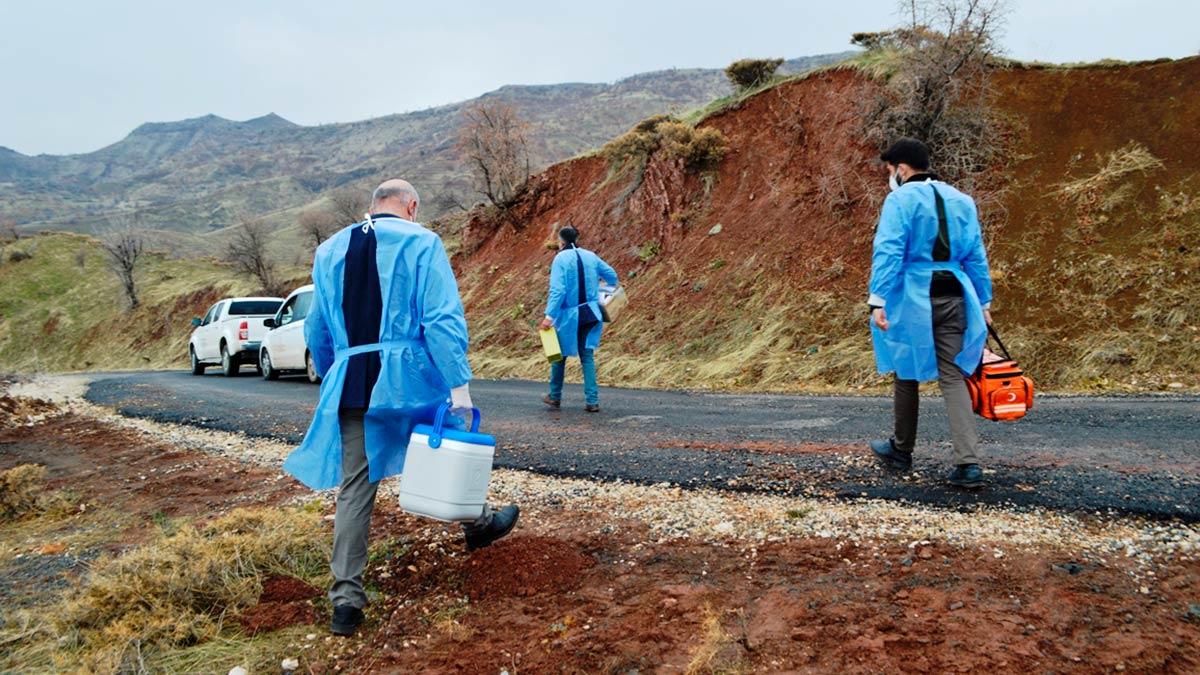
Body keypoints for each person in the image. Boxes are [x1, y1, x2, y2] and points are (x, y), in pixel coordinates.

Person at [283, 179, 519, 637]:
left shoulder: (329, 250)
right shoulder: (423, 241)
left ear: (373, 206)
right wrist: (458, 382)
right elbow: (441, 319)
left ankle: (346, 602)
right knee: (443, 446)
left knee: (355, 487)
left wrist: (337, 374)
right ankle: (480, 523)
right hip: (411, 379)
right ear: (412, 205)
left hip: (353, 380)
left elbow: (317, 330)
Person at [866, 138, 994, 489]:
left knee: (906, 370)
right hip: (955, 291)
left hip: (912, 296)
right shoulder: (962, 201)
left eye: (891, 171)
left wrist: (877, 299)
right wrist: (983, 303)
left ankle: (901, 450)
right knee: (953, 376)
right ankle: (968, 464)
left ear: (902, 169)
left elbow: (889, 249)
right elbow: (976, 256)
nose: (891, 178)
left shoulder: (899, 200)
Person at [539, 226, 618, 412]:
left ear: (561, 242)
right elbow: (612, 276)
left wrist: (549, 317)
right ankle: (592, 401)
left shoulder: (560, 259)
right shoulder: (591, 255)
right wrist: (601, 290)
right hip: (591, 312)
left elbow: (558, 291)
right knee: (587, 356)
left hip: (569, 316)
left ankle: (555, 396)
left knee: (558, 355)